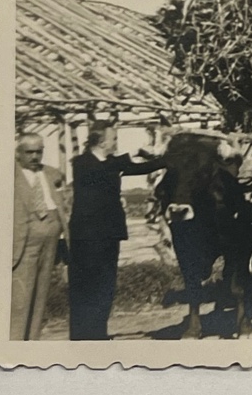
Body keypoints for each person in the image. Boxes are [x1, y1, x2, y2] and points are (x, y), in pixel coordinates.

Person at [67, 121, 165, 340]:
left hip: (109, 233)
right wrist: (128, 157)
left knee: (106, 284)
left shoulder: (110, 163)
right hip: (87, 237)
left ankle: (98, 332)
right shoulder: (82, 163)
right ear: (102, 141)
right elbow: (100, 171)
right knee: (86, 285)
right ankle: (81, 335)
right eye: (113, 139)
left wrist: (167, 160)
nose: (115, 143)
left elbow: (141, 168)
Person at [11, 132, 69, 340]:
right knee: (20, 298)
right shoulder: (8, 177)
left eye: (39, 151)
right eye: (29, 152)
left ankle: (31, 343)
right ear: (18, 154)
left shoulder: (51, 174)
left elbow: (62, 202)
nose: (35, 157)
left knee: (40, 295)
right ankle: (14, 346)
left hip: (51, 240)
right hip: (25, 242)